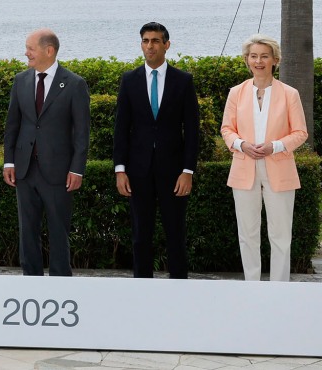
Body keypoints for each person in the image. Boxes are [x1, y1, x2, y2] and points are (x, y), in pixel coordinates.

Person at [113, 22, 200, 278]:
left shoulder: (183, 80)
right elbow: (121, 128)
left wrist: (187, 171)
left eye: (155, 41)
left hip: (174, 172)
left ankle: (179, 288)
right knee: (141, 235)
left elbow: (192, 130)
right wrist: (120, 169)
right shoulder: (129, 80)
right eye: (145, 41)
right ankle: (142, 288)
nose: (149, 46)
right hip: (138, 171)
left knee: (175, 233)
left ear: (166, 45)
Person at [221, 34, 308, 281]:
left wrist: (276, 146)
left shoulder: (290, 94)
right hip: (243, 169)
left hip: (279, 170)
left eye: (264, 56)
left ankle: (279, 288)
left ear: (275, 60)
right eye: (254, 56)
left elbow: (300, 132)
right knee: (247, 233)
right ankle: (252, 286)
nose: (258, 61)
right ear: (247, 60)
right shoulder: (236, 93)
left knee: (280, 234)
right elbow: (227, 129)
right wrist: (241, 144)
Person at [3, 28, 89, 276]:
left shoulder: (74, 84)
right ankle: (31, 283)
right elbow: (12, 126)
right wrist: (9, 163)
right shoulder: (21, 81)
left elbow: (82, 133)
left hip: (59, 173)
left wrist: (77, 169)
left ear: (48, 51)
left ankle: (61, 285)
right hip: (25, 170)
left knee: (58, 232)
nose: (26, 53)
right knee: (27, 231)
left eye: (30, 48)